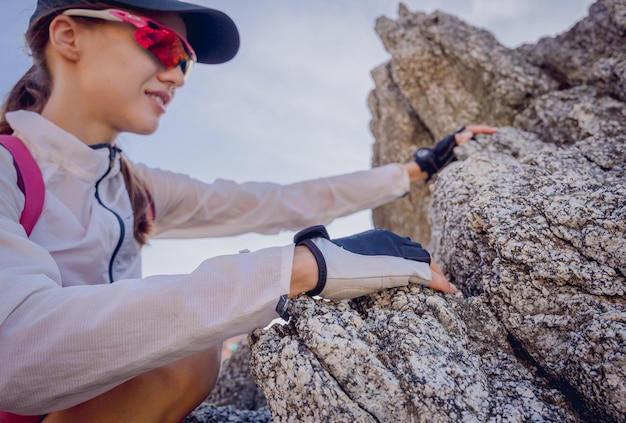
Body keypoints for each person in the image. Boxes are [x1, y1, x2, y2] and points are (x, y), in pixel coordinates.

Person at [0, 0, 496, 421]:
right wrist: (303, 268)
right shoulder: (8, 169)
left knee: (191, 353)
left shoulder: (136, 187)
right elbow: (14, 357)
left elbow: (277, 202)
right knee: (190, 356)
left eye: (186, 60)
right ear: (67, 36)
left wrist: (413, 171)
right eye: (161, 45)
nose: (176, 74)